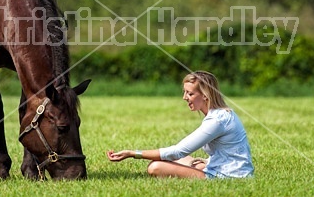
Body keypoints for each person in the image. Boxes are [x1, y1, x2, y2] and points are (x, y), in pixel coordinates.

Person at [106, 70, 254, 179]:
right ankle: (207, 166)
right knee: (176, 160)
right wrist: (208, 161)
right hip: (229, 168)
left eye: (190, 94)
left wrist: (132, 153)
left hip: (231, 176)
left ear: (205, 95)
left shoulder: (217, 120)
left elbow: (178, 151)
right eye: (184, 92)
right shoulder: (220, 114)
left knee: (155, 167)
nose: (184, 98)